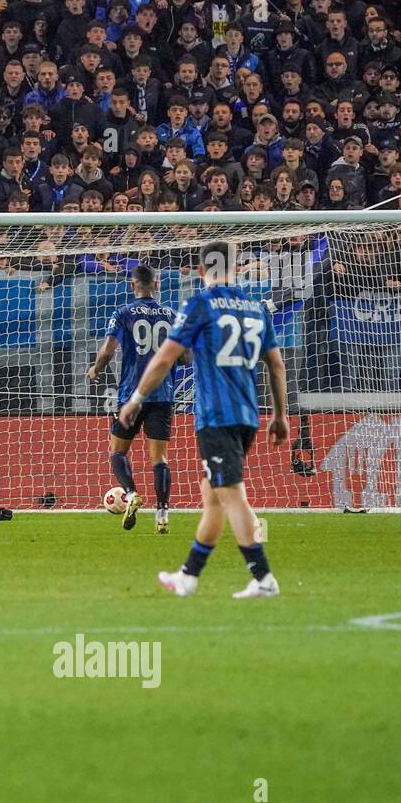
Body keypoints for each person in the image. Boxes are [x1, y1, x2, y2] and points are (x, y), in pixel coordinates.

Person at [117, 242, 288, 599]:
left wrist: (136, 398)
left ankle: (263, 577)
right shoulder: (256, 309)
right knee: (212, 496)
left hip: (216, 417)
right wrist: (280, 415)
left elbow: (165, 359)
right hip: (247, 415)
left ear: (200, 270)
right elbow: (275, 365)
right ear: (236, 268)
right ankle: (188, 576)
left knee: (231, 494)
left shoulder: (200, 305)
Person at [86, 265, 180, 533]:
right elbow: (186, 357)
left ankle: (130, 493)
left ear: (132, 286)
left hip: (131, 395)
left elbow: (107, 350)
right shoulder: (172, 315)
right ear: (157, 285)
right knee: (159, 458)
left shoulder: (123, 313)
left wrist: (95, 370)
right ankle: (162, 512)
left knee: (117, 451)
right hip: (162, 394)